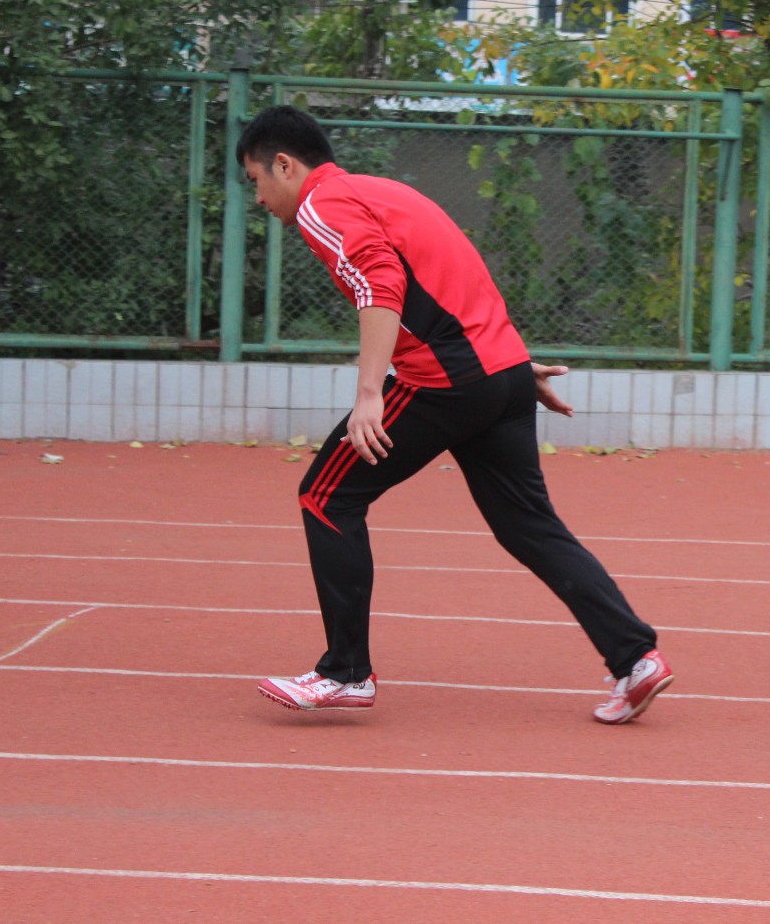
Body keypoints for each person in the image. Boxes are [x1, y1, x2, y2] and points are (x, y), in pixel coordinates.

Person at [236, 106, 672, 723]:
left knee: (326, 497)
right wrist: (513, 366)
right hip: (500, 372)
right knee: (527, 525)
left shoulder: (321, 205)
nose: (258, 198)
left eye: (255, 179)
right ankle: (635, 657)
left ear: (285, 165)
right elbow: (459, 272)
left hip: (446, 380)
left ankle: (346, 673)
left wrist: (369, 394)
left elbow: (379, 284)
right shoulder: (383, 192)